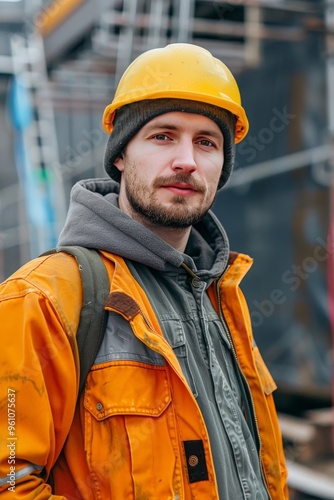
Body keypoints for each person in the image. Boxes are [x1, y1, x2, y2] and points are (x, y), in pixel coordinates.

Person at [0, 43, 288, 499]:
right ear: (120, 154)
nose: (186, 160)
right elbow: (8, 482)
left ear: (222, 167)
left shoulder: (222, 297)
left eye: (206, 143)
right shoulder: (43, 299)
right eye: (162, 136)